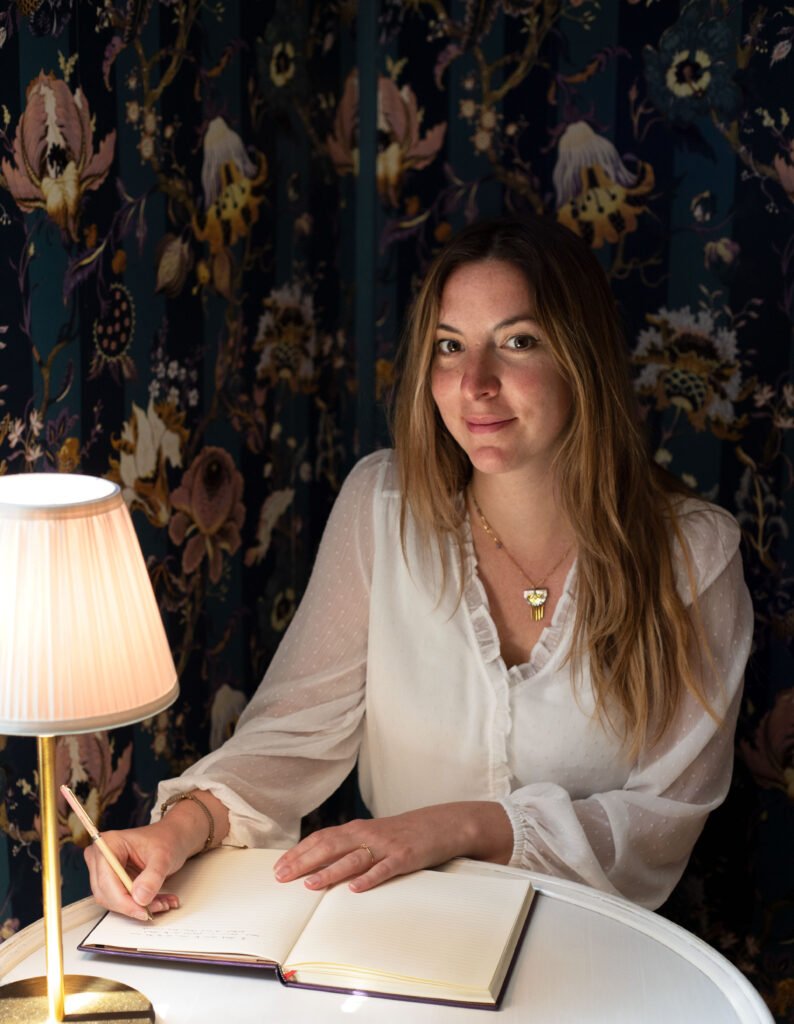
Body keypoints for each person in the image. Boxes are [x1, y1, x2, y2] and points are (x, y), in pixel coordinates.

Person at [86, 216, 752, 921]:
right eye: (450, 347)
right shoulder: (382, 507)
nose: (475, 383)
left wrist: (458, 827)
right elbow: (292, 733)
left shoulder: (693, 553)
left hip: (590, 941)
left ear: (581, 357)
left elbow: (664, 817)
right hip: (404, 933)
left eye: (518, 342)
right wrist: (178, 828)